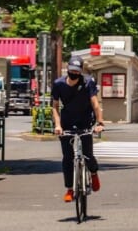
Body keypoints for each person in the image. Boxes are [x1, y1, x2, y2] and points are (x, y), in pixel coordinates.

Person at [52, 56, 104, 203]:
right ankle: (69, 188)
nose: (73, 73)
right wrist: (58, 125)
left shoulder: (88, 82)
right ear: (67, 69)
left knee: (88, 154)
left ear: (80, 72)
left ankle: (93, 173)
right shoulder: (59, 84)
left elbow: (95, 103)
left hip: (85, 121)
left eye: (77, 71)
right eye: (71, 70)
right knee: (67, 157)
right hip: (66, 122)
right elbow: (55, 106)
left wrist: (100, 123)